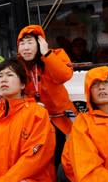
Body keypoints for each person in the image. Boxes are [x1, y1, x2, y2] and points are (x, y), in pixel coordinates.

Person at [17, 25, 76, 167]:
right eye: (22, 43)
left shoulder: (56, 54)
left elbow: (64, 75)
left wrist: (47, 54)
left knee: (67, 160)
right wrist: (31, 104)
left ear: (40, 42)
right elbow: (13, 94)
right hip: (35, 122)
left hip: (63, 122)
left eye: (30, 42)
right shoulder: (16, 66)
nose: (26, 47)